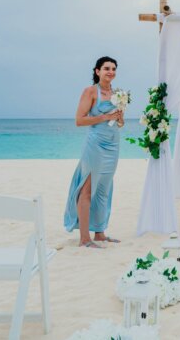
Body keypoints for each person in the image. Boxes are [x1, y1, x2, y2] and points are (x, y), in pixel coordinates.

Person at [63, 56, 124, 248]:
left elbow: (120, 123)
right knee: (88, 188)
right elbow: (79, 120)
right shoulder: (90, 91)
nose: (111, 72)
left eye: (113, 69)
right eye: (106, 68)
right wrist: (105, 116)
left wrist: (119, 118)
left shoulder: (118, 93)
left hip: (113, 144)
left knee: (104, 189)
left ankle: (99, 233)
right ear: (97, 71)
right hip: (95, 145)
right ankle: (84, 239)